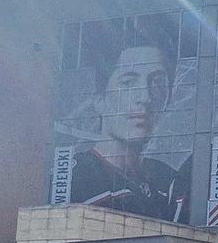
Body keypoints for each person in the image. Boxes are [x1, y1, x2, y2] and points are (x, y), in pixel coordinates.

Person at [67, 26, 186, 221]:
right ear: (99, 100)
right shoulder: (75, 178)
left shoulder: (171, 181)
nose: (145, 97)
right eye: (129, 83)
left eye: (157, 83)